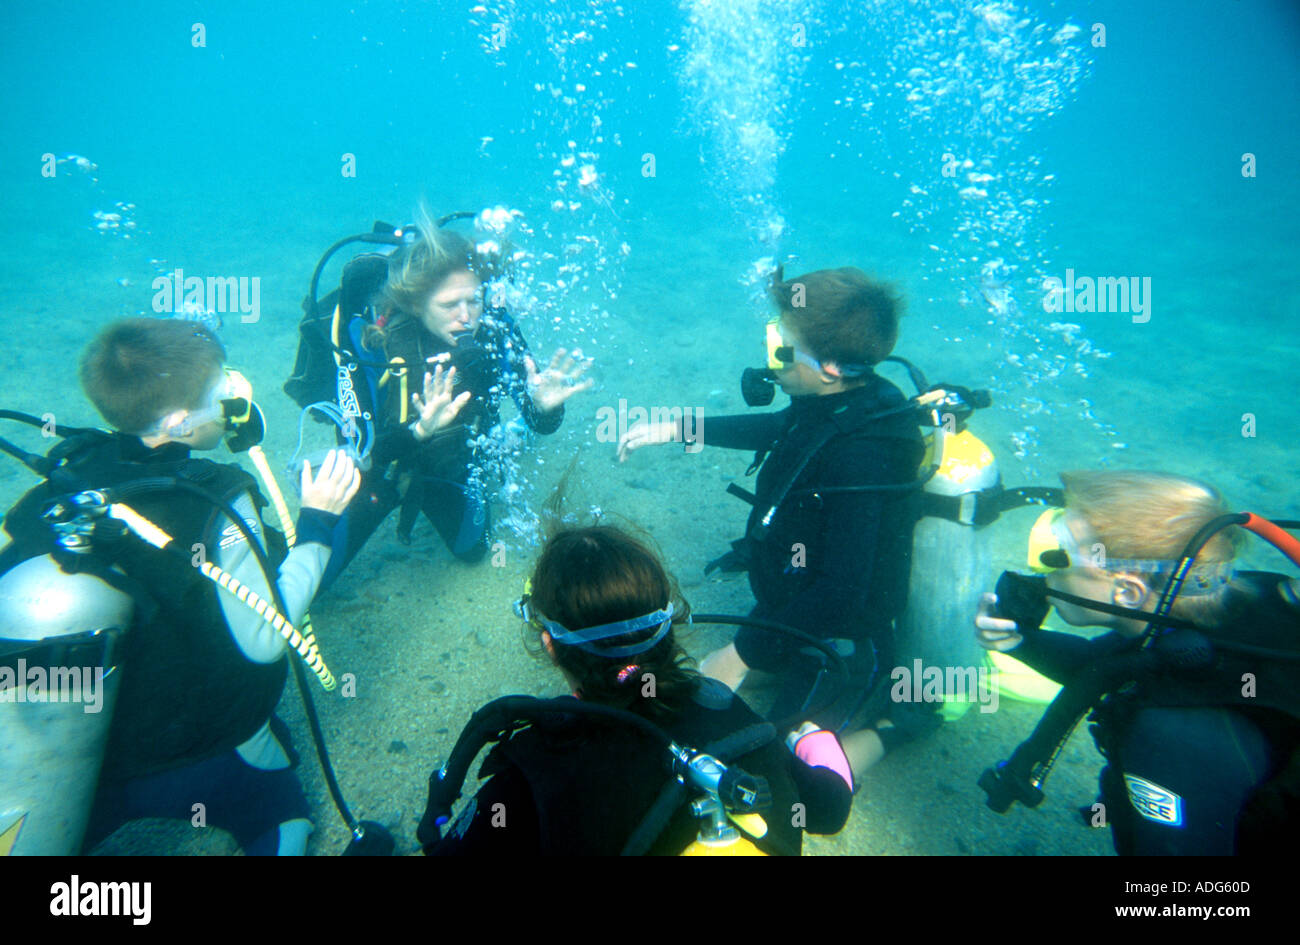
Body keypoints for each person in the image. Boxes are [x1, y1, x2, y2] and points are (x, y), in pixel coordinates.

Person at [0, 318, 360, 855]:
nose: (237, 392)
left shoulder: (52, 489)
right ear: (178, 421)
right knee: (281, 815)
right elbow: (266, 637)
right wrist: (318, 523)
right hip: (200, 755)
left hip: (80, 762)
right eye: (223, 387)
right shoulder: (219, 500)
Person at [618, 266, 930, 769]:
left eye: (781, 349)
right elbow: (777, 428)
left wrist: (739, 656)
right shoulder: (832, 400)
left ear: (830, 366)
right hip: (791, 606)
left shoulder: (866, 452)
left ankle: (897, 725)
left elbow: (844, 592)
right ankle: (770, 660)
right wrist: (677, 427)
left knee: (784, 770)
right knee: (702, 703)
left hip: (841, 639)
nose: (770, 360)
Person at [421, 525, 854, 855]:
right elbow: (830, 809)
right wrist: (817, 740)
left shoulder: (528, 774)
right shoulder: (731, 719)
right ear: (667, 626)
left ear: (551, 645)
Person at [975, 470, 1300, 855]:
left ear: (1128, 591)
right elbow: (1110, 667)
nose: (1042, 567)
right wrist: (1018, 643)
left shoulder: (1170, 741)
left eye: (1057, 555)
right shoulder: (1220, 600)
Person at [318, 214, 592, 585]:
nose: (466, 318)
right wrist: (418, 431)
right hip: (382, 472)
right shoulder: (370, 342)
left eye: (473, 301)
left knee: (473, 549)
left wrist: (546, 407)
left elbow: (541, 423)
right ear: (416, 304)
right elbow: (358, 454)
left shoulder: (495, 331)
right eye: (449, 305)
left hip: (450, 462)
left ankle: (508, 437)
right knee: (315, 576)